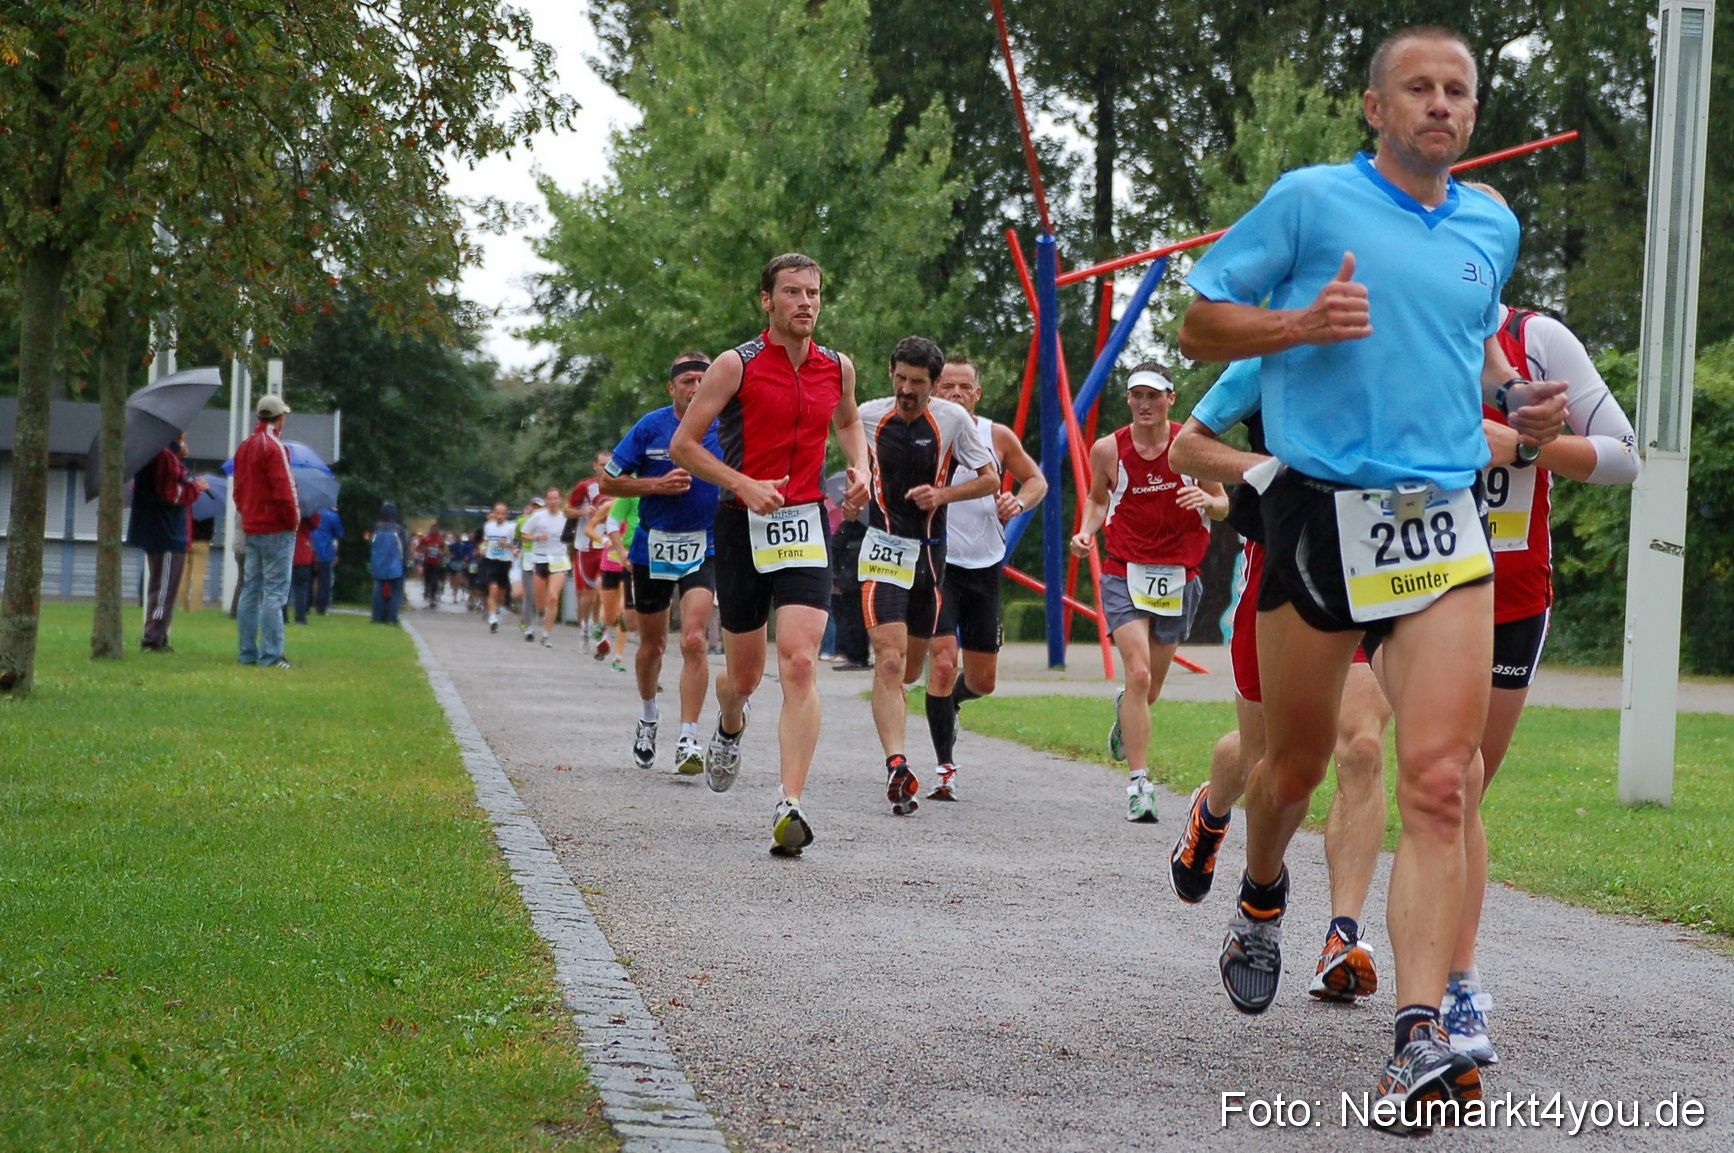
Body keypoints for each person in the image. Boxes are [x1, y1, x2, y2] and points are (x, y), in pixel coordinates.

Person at [1176, 26, 1567, 1127]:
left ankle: (1417, 1036)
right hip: (1319, 514)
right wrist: (1297, 324)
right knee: (1293, 767)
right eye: (1419, 88)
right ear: (1375, 108)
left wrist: (1515, 400)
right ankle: (1261, 892)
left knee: (1442, 782)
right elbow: (1198, 323)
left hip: (1440, 521)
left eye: (1458, 90)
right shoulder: (1310, 202)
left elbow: (1474, 341)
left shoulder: (1490, 224)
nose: (1441, 104)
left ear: (1473, 112)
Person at [1441, 287, 1640, 1065]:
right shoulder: (1410, 325)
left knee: (1463, 790)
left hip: (1513, 599)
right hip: (1417, 582)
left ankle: (1447, 976)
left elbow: (1624, 456)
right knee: (1442, 778)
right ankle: (1443, 977)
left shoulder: (1539, 338)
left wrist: (1526, 448)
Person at [1167, 358, 1393, 1006]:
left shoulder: (1413, 340)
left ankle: (1341, 938)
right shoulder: (1273, 351)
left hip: (1381, 555)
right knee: (1273, 761)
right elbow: (1187, 447)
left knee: (1361, 746)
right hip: (1285, 561)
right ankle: (1215, 811)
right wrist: (1270, 472)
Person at [670, 252, 869, 857]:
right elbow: (684, 445)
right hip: (741, 524)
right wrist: (743, 484)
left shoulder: (838, 366)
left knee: (801, 662)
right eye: (792, 292)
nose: (805, 302)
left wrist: (860, 467)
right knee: (745, 677)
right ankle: (730, 722)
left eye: (813, 292)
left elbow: (848, 423)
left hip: (804, 522)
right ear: (767, 300)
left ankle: (790, 803)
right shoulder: (736, 364)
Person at [1068, 362, 1228, 822]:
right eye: (1136, 395)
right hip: (1124, 570)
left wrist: (1207, 500)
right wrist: (1086, 532)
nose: (1144, 404)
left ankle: (1127, 713)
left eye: (1154, 395)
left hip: (1179, 575)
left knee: (1150, 688)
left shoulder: (1191, 446)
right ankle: (1140, 785)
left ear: (1170, 399)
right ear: (1129, 400)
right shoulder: (1108, 449)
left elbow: (1223, 504)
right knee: (1137, 675)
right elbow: (1098, 499)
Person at [856, 336, 997, 814]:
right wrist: (856, 480)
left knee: (911, 669)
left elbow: (991, 478)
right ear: (890, 374)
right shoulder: (869, 415)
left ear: (933, 385)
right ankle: (897, 765)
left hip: (930, 557)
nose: (906, 389)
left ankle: (900, 727)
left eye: (916, 382)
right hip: (882, 550)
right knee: (889, 661)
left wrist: (943, 496)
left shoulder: (952, 420)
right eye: (900, 378)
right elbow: (846, 444)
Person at [924, 353, 1048, 799]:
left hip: (984, 567)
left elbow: (1036, 481)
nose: (956, 394)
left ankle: (952, 703)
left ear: (977, 394)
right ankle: (945, 768)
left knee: (982, 681)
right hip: (937, 565)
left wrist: (1019, 502)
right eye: (947, 387)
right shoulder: (922, 433)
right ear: (933, 391)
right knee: (942, 665)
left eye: (965, 388)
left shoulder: (996, 435)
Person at [602, 352, 725, 774]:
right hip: (652, 547)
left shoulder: (727, 426)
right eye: (687, 380)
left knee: (693, 639)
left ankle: (688, 738)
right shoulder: (650, 427)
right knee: (652, 645)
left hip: (705, 545)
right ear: (672, 388)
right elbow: (607, 481)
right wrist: (655, 485)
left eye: (703, 380)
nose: (695, 387)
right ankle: (648, 717)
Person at [234, 395, 301, 667]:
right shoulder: (274, 446)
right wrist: (293, 521)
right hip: (276, 527)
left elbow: (238, 489)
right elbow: (285, 489)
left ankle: (247, 652)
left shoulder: (245, 446)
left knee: (250, 589)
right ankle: (272, 655)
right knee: (274, 592)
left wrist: (247, 513)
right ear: (280, 417)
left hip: (252, 526)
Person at [129, 430, 208, 652]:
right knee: (164, 588)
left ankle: (158, 634)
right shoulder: (164, 456)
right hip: (166, 533)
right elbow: (172, 493)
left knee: (161, 586)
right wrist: (196, 487)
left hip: (159, 530)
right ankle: (153, 638)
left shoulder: (157, 454)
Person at [569, 452, 611, 652]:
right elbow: (567, 510)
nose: (606, 469)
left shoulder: (620, 487)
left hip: (608, 547)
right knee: (587, 597)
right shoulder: (585, 487)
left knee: (602, 592)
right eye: (602, 465)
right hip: (585, 547)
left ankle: (599, 632)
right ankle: (584, 628)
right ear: (595, 465)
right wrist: (583, 512)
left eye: (610, 465)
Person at [522, 487, 572, 646]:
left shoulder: (566, 516)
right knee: (540, 603)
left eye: (556, 499)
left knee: (553, 597)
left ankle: (546, 634)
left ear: (560, 500)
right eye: (550, 499)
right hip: (540, 559)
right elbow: (523, 535)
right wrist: (537, 538)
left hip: (559, 560)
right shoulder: (538, 516)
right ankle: (540, 613)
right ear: (546, 500)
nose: (553, 502)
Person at [367, 502, 410, 624]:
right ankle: (392, 618)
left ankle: (377, 617)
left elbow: (372, 546)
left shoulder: (377, 529)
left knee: (378, 592)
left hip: (378, 564)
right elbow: (403, 549)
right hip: (395, 565)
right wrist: (405, 564)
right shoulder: (398, 530)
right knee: (396, 593)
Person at [480, 502, 517, 632]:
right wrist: (483, 548)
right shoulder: (488, 526)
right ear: (493, 513)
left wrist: (506, 544)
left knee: (501, 594)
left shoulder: (511, 527)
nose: (499, 516)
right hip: (491, 561)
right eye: (497, 513)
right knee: (493, 589)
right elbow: (485, 541)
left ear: (507, 514)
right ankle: (492, 618)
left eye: (502, 514)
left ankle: (497, 609)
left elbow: (516, 544)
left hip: (505, 562)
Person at [310, 505, 343, 615]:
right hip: (325, 551)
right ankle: (321, 607)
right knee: (324, 581)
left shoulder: (311, 512)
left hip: (310, 549)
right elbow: (339, 533)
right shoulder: (332, 515)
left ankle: (305, 605)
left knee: (307, 579)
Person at [417, 526, 446, 607]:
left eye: (436, 529)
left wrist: (441, 552)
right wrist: (425, 550)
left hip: (436, 563)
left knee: (434, 579)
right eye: (433, 529)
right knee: (427, 578)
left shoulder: (440, 539)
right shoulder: (426, 538)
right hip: (427, 562)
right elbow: (418, 548)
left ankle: (433, 596)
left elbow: (445, 551)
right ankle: (427, 590)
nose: (434, 531)